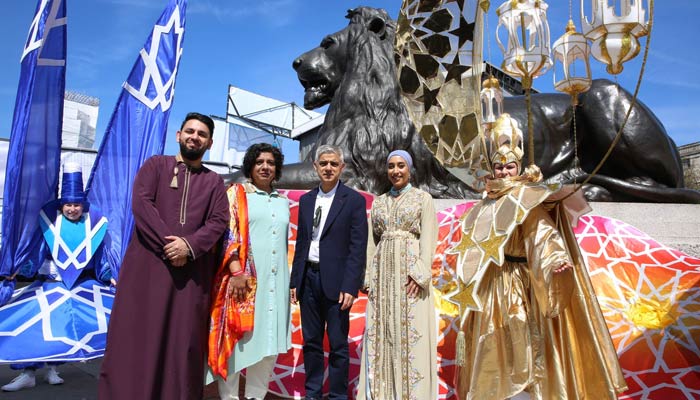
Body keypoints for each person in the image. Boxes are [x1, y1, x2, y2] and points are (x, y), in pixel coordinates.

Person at [452, 114, 627, 399]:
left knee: (521, 339)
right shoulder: (484, 203)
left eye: (509, 166)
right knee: (493, 343)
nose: (504, 172)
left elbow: (542, 236)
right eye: (499, 167)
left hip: (523, 285)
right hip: (492, 285)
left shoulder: (528, 199)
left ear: (517, 167)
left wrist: (555, 260)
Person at [98, 112, 230, 399]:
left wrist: (189, 247)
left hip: (189, 279)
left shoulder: (214, 183)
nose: (195, 137)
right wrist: (170, 247)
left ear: (209, 143)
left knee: (182, 344)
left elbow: (218, 222)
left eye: (202, 134)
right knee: (137, 338)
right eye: (190, 131)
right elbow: (141, 204)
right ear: (178, 135)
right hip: (148, 272)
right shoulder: (155, 166)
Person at [0, 162, 113, 391]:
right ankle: (28, 373)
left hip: (79, 287)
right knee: (33, 327)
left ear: (83, 206)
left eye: (77, 205)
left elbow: (100, 259)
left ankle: (53, 369)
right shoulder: (50, 224)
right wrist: (18, 269)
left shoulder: (93, 226)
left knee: (64, 330)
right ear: (62, 206)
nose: (73, 209)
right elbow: (35, 253)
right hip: (49, 285)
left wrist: (110, 275)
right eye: (69, 204)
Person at [208, 143, 291, 399]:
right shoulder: (237, 194)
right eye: (259, 162)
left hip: (276, 287)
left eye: (270, 162)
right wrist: (236, 272)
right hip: (243, 283)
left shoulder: (283, 201)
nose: (265, 167)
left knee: (267, 348)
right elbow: (226, 234)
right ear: (250, 167)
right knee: (237, 346)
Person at [357, 150, 438, 399]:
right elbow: (372, 242)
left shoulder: (423, 199)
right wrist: (369, 277)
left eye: (401, 166)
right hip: (383, 278)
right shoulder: (379, 202)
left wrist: (420, 275)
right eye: (391, 166)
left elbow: (429, 237)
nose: (395, 171)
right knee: (381, 334)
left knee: (411, 336)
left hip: (410, 277)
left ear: (409, 169)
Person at [290, 144, 368, 400]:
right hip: (308, 279)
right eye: (323, 163)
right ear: (315, 167)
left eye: (334, 164)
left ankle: (337, 395)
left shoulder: (354, 200)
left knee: (337, 344)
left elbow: (358, 248)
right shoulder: (306, 200)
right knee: (311, 342)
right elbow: (302, 242)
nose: (328, 168)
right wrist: (295, 280)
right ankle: (312, 393)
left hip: (337, 283)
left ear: (342, 168)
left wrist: (350, 285)